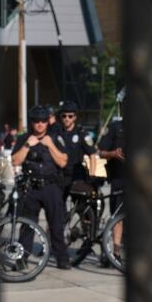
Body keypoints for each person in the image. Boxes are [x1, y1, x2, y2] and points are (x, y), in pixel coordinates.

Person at [11, 105, 71, 270]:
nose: (39, 124)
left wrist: (50, 145)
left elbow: (63, 162)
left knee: (56, 225)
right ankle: (22, 258)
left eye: (43, 121)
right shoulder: (24, 138)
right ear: (31, 122)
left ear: (47, 122)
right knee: (28, 225)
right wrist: (27, 146)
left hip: (51, 187)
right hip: (31, 187)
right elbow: (15, 161)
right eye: (36, 121)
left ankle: (62, 259)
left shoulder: (55, 137)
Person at [56, 101, 97, 200]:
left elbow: (92, 155)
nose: (67, 119)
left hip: (76, 174)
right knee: (58, 205)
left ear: (75, 117)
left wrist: (92, 174)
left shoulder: (81, 133)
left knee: (81, 205)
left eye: (70, 116)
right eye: (64, 116)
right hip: (60, 174)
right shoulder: (56, 133)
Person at [97, 117, 126, 261]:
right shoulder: (115, 127)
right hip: (119, 179)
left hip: (141, 180)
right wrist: (113, 154)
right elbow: (101, 152)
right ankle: (115, 252)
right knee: (117, 217)